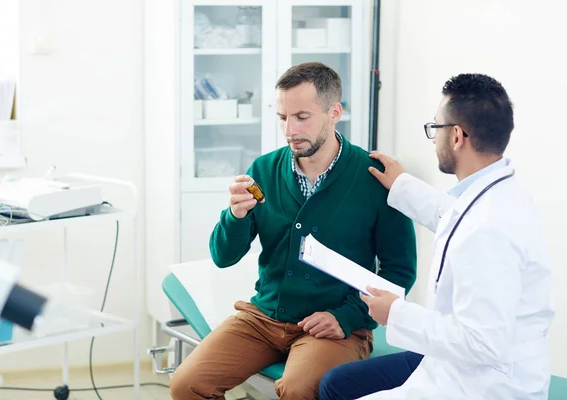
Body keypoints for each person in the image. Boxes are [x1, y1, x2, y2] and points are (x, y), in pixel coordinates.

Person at [169, 62, 417, 400]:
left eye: (302, 117)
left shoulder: (374, 177)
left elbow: (399, 272)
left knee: (299, 389)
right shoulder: (264, 169)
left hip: (333, 326)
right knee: (187, 385)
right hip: (263, 318)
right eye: (283, 118)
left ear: (334, 113)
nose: (289, 130)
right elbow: (222, 257)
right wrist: (235, 216)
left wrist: (346, 316)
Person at [319, 73, 555, 400]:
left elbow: (482, 342)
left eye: (435, 128)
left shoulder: (488, 227)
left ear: (457, 135)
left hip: (485, 384)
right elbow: (453, 217)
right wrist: (402, 185)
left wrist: (396, 313)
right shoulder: (497, 192)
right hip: (460, 364)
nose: (433, 139)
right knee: (337, 383)